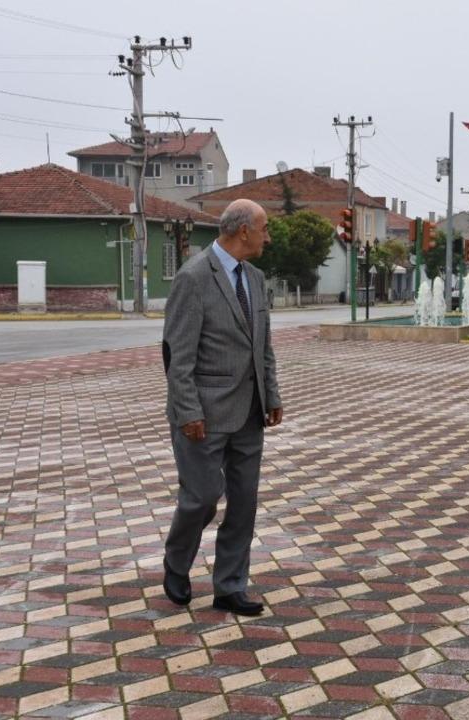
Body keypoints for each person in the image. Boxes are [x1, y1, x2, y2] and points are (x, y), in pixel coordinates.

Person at [161, 199, 283, 616]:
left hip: (250, 412)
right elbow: (178, 355)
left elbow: (262, 344)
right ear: (243, 230)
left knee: (244, 502)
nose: (269, 237)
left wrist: (272, 394)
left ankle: (230, 586)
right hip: (204, 414)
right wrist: (188, 411)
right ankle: (176, 564)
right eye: (264, 229)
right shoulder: (193, 278)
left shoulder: (255, 277)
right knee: (202, 499)